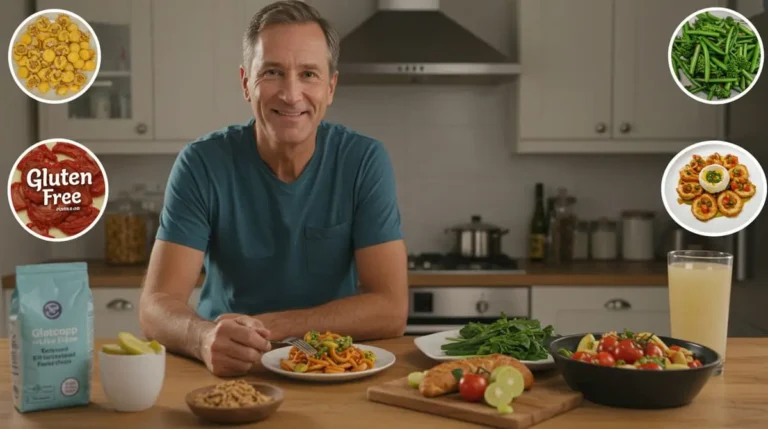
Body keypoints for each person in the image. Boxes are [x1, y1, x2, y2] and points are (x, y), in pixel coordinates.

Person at [138, 0, 408, 377]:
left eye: (309, 74)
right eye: (273, 72)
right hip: (230, 366)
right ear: (247, 84)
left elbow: (391, 310)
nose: (291, 94)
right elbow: (156, 306)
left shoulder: (363, 161)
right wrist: (203, 337)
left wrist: (268, 327)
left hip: (332, 367)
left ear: (330, 88)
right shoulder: (201, 163)